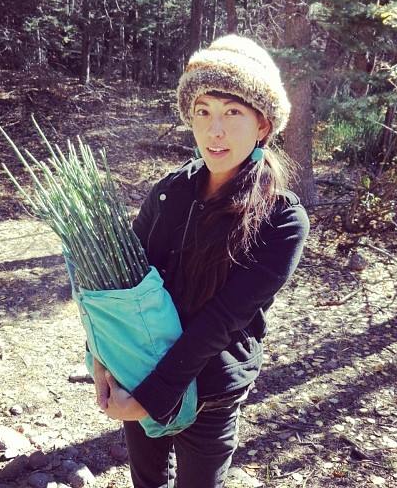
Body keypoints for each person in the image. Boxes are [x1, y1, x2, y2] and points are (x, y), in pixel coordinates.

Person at [93, 34, 310, 488]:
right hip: (141, 371)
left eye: (233, 112)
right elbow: (120, 284)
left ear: (263, 125)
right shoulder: (171, 190)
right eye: (203, 111)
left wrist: (152, 399)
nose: (216, 131)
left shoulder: (282, 219)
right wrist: (103, 361)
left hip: (211, 391)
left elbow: (223, 321)